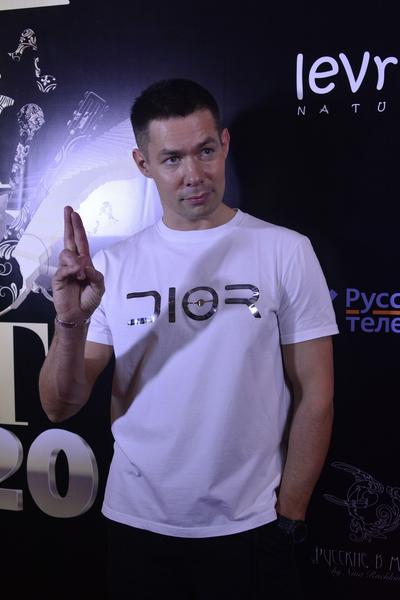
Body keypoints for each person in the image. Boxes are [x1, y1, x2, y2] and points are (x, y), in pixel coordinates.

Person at [38, 78, 339, 599]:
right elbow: (58, 406)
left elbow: (316, 394)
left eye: (204, 151)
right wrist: (70, 322)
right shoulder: (113, 267)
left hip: (251, 529)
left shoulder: (285, 251)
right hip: (137, 527)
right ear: (142, 164)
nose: (194, 175)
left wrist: (289, 516)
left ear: (224, 144)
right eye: (172, 159)